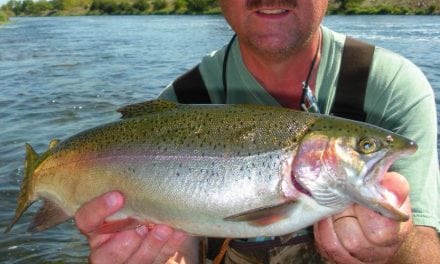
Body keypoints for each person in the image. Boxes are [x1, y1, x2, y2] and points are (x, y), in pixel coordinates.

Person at [75, 0, 440, 263]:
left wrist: (399, 249)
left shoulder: (390, 87)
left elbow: (429, 250)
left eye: (362, 145)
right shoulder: (178, 105)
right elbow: (175, 248)